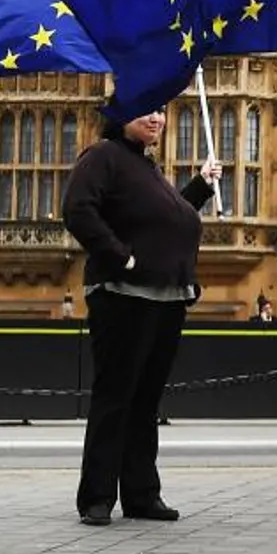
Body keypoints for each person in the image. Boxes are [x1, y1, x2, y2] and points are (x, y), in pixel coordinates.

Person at [61, 101, 220, 527]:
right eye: (144, 111)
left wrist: (199, 188)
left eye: (161, 112)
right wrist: (121, 258)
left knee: (144, 401)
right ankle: (96, 496)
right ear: (119, 115)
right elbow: (77, 209)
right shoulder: (103, 156)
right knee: (116, 396)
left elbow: (162, 219)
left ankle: (141, 493)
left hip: (164, 296)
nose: (156, 118)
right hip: (124, 292)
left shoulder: (146, 167)